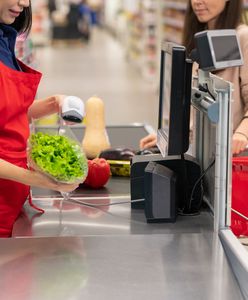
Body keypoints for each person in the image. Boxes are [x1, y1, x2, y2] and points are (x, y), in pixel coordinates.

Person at [0, 0, 80, 237]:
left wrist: (53, 103)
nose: (24, 3)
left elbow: (8, 111)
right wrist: (43, 180)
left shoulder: (4, 38)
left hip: (12, 199)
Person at [140, 0, 248, 156]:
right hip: (199, 154)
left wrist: (242, 134)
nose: (197, 1)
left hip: (227, 159)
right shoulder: (199, 38)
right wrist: (173, 137)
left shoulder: (242, 37)